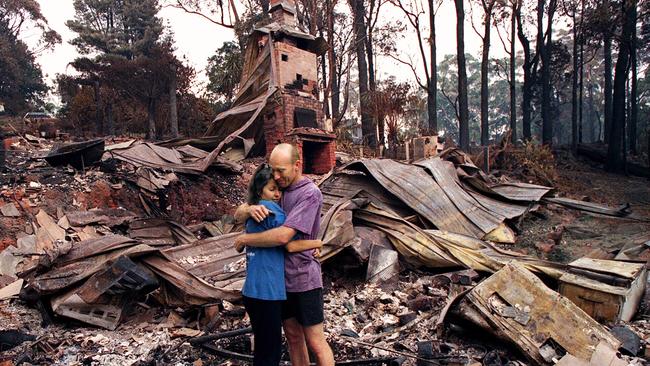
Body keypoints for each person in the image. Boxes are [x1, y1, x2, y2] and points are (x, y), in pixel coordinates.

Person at [235, 143, 334, 366]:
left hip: (303, 279)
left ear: (297, 165)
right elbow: (243, 209)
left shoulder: (310, 194)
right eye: (274, 170)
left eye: (281, 170)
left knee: (316, 342)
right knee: (293, 337)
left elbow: (283, 238)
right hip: (281, 283)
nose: (277, 176)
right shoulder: (281, 189)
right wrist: (248, 209)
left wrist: (245, 240)